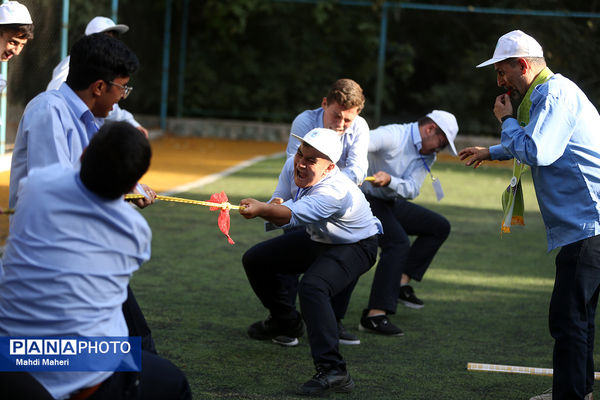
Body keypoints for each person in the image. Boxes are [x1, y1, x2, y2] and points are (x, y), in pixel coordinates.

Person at [0, 122, 191, 400]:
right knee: (173, 381)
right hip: (80, 368)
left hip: (12, 355)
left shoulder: (35, 187)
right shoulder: (134, 231)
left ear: (84, 153)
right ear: (131, 186)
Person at [459, 30, 600, 400]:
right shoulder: (551, 93)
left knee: (568, 319)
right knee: (578, 317)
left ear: (523, 65)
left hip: (588, 226)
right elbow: (540, 141)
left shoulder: (554, 94)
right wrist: (492, 151)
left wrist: (505, 120)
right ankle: (578, 391)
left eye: (503, 72)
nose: (500, 82)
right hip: (588, 225)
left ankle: (569, 395)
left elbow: (537, 149)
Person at [8, 32, 157, 354]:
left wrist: (127, 188)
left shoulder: (89, 118)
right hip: (56, 256)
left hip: (72, 251)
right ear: (99, 87)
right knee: (137, 351)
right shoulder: (50, 111)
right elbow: (57, 198)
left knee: (134, 341)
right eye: (123, 88)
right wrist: (122, 198)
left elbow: (84, 181)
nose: (123, 97)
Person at [239, 128, 382, 395]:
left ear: (330, 167)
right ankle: (286, 322)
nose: (301, 163)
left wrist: (262, 209)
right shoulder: (294, 162)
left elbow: (286, 215)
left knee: (313, 287)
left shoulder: (334, 193)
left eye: (312, 160)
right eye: (301, 154)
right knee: (256, 259)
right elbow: (280, 199)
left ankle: (334, 371)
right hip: (319, 238)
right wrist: (271, 203)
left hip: (357, 246)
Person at [280, 78, 369, 345]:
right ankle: (286, 322)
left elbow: (358, 169)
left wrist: (329, 185)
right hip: (302, 195)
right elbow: (293, 162)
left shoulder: (360, 127)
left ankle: (334, 321)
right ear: (324, 104)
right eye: (336, 116)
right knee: (286, 254)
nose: (341, 124)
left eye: (348, 120)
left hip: (338, 201)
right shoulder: (304, 121)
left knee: (346, 255)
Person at [358, 111, 457, 336]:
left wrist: (391, 181)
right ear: (430, 129)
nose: (438, 150)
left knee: (439, 226)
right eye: (441, 143)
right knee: (398, 243)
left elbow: (412, 189)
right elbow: (358, 144)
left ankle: (400, 283)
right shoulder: (394, 135)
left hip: (389, 200)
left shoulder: (427, 153)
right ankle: (374, 315)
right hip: (364, 199)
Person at [46, 16, 149, 137]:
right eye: (106, 37)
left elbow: (111, 106)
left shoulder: (105, 72)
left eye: (115, 37)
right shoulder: (73, 64)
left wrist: (130, 122)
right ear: (91, 40)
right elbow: (54, 96)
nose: (113, 42)